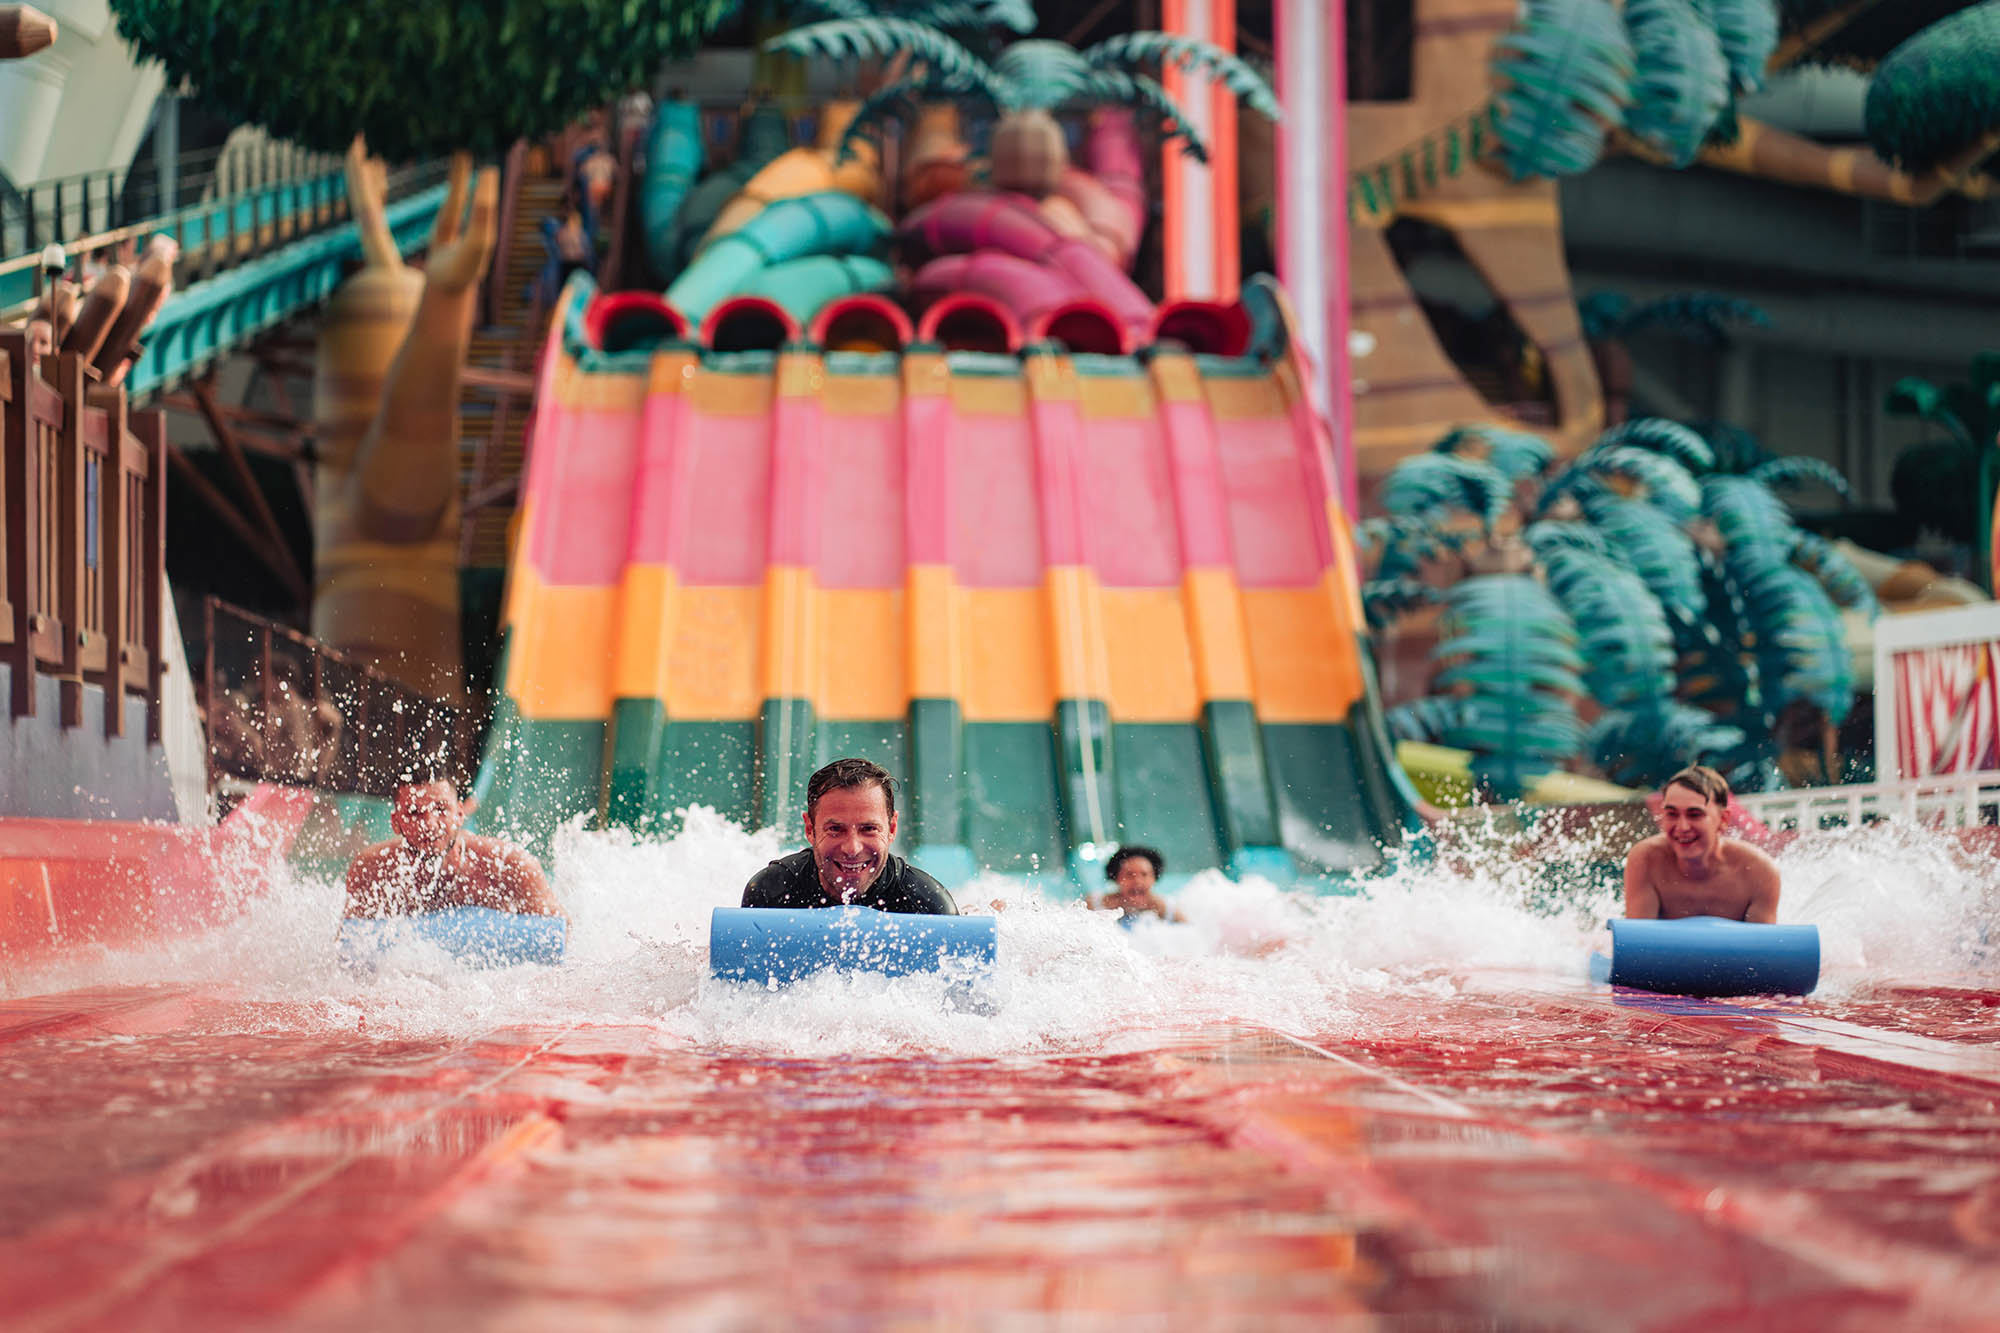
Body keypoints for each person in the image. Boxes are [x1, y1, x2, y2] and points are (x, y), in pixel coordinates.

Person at [742, 758, 958, 914]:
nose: (852, 848)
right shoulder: (771, 894)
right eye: (835, 830)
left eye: (869, 829)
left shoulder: (928, 906)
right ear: (810, 829)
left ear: (891, 829)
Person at [344, 776, 563, 920]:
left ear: (459, 814)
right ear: (396, 822)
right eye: (414, 812)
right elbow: (353, 949)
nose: (429, 824)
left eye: (440, 809)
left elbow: (558, 934)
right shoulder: (371, 869)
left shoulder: (509, 865)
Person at [1623, 765, 1780, 923]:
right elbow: (1638, 943)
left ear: (1723, 819)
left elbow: (1761, 945)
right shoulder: (1646, 860)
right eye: (1672, 814)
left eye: (1695, 815)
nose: (1682, 827)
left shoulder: (1758, 873)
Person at [1089, 845, 1183, 922]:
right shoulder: (1096, 905)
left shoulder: (1167, 909)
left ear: (1154, 878)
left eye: (1144, 874)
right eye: (1129, 875)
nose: (1137, 881)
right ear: (1116, 878)